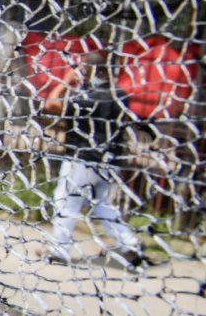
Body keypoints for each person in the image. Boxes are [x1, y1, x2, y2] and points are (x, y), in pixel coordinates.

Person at [40, 52, 162, 268]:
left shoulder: (86, 96)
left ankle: (59, 251)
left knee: (66, 201)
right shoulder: (119, 94)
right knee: (100, 204)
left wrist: (66, 81)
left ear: (86, 71)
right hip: (109, 158)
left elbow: (50, 104)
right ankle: (130, 244)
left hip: (82, 156)